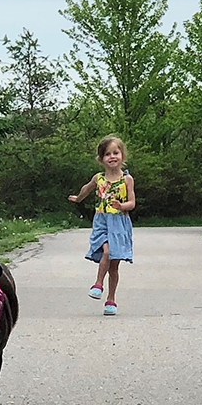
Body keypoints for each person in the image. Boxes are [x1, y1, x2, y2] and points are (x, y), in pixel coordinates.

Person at [68, 135, 135, 316]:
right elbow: (86, 188)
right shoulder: (98, 178)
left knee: (114, 266)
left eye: (115, 153)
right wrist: (78, 198)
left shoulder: (127, 179)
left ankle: (111, 299)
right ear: (101, 158)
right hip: (101, 221)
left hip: (119, 222)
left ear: (122, 155)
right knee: (107, 250)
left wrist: (122, 206)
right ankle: (98, 284)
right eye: (107, 154)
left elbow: (132, 203)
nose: (112, 157)